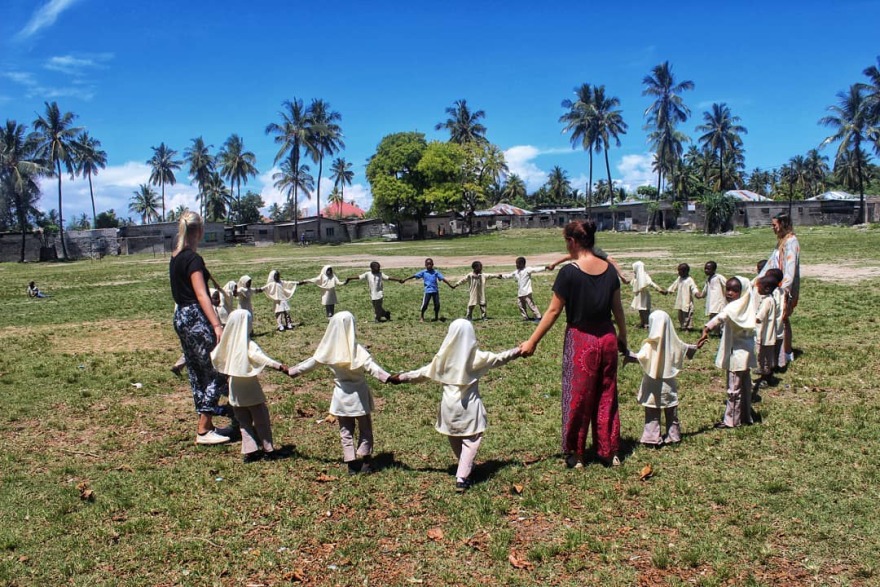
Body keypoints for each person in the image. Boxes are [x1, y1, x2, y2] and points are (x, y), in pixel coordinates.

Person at [519, 220, 628, 468]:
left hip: (581, 340)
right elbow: (618, 309)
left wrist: (532, 341)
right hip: (608, 338)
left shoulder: (569, 272)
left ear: (572, 241)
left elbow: (553, 311)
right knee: (607, 394)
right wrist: (623, 335)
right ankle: (608, 451)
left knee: (578, 397)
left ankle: (576, 454)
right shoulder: (610, 270)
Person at [389, 319, 520, 491]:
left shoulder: (443, 359)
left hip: (448, 408)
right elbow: (500, 358)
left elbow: (422, 373)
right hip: (469, 408)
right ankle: (462, 477)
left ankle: (466, 466)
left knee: (455, 436)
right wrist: (518, 351)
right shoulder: (477, 358)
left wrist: (402, 377)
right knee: (471, 440)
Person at [288, 312, 392, 475]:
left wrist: (292, 371)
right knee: (365, 429)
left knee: (346, 430)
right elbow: (373, 368)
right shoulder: (357, 350)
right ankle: (366, 461)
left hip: (341, 397)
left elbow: (311, 364)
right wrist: (389, 378)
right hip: (359, 397)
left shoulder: (329, 351)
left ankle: (351, 463)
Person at [168, 211, 234, 445]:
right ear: (200, 231)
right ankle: (204, 428)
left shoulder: (175, 257)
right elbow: (200, 294)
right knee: (219, 369)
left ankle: (208, 424)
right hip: (196, 318)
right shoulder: (194, 260)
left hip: (181, 317)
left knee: (197, 373)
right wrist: (216, 324)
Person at [211, 310, 289, 462]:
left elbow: (215, 356)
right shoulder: (247, 344)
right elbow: (260, 358)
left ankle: (250, 451)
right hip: (251, 390)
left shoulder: (226, 344)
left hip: (235, 390)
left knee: (244, 423)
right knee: (261, 421)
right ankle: (268, 449)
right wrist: (279, 366)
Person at [626, 310, 697, 446]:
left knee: (652, 410)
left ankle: (651, 437)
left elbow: (640, 358)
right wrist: (697, 346)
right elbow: (686, 349)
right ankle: (673, 435)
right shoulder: (674, 342)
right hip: (668, 383)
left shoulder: (649, 345)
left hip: (652, 383)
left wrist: (627, 353)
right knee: (671, 409)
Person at [697, 276, 757, 428]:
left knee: (733, 389)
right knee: (744, 386)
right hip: (745, 354)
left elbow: (720, 317)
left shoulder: (733, 308)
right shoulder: (747, 306)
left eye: (734, 290)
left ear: (742, 291)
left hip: (736, 355)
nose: (729, 293)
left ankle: (732, 421)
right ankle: (745, 416)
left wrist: (706, 329)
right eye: (728, 289)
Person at [756, 212, 800, 364]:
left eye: (774, 225)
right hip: (776, 285)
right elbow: (771, 262)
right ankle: (778, 352)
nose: (773, 228)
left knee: (784, 318)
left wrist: (784, 289)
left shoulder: (791, 242)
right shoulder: (782, 241)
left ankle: (787, 353)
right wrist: (758, 280)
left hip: (784, 287)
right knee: (778, 319)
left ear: (782, 224)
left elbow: (790, 267)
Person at [402, 258, 454, 322]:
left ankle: (436, 317)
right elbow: (414, 276)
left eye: (430, 264)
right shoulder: (423, 272)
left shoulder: (436, 272)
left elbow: (443, 279)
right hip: (427, 291)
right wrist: (405, 279)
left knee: (437, 305)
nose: (429, 265)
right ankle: (422, 317)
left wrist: (450, 285)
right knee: (425, 305)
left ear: (433, 264)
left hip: (435, 291)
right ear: (425, 265)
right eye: (427, 264)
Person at [753, 276, 779, 396]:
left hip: (765, 335)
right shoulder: (770, 299)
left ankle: (765, 378)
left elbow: (759, 317)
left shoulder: (767, 301)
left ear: (767, 288)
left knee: (763, 357)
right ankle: (767, 375)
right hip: (768, 335)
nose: (758, 289)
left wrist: (749, 321)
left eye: (760, 287)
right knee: (766, 357)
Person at [500, 256, 545, 322]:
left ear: (522, 264)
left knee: (531, 305)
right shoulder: (516, 272)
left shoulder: (527, 270)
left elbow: (535, 269)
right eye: (516, 264)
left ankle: (539, 317)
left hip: (527, 292)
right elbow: (509, 275)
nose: (516, 265)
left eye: (518, 264)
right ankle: (525, 317)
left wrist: (545, 268)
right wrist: (501, 276)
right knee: (520, 305)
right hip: (520, 292)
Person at [695, 261, 727, 336]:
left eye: (708, 269)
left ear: (714, 269)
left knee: (719, 317)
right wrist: (700, 295)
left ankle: (721, 333)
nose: (706, 270)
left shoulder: (718, 277)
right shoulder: (708, 279)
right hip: (711, 303)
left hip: (718, 302)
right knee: (712, 317)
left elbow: (727, 283)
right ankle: (716, 332)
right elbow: (705, 290)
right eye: (705, 268)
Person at [630, 261, 666, 329]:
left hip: (644, 296)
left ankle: (647, 323)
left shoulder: (644, 276)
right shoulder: (636, 276)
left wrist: (660, 289)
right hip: (638, 296)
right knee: (640, 310)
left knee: (645, 310)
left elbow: (651, 283)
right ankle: (642, 322)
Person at [667, 263, 701, 331]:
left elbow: (694, 287)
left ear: (686, 271)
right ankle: (683, 326)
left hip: (687, 301)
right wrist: (668, 291)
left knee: (688, 315)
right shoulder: (679, 278)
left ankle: (688, 328)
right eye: (678, 271)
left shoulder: (689, 280)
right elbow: (674, 285)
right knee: (680, 315)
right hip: (680, 301)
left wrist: (696, 293)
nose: (679, 272)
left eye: (680, 271)